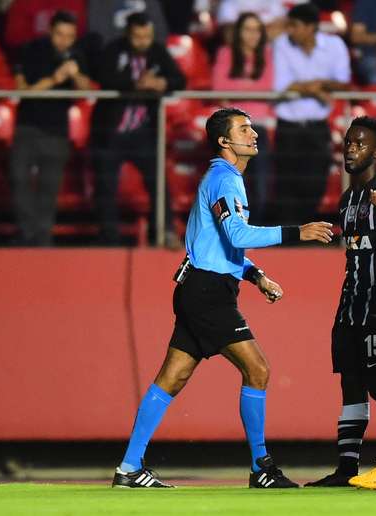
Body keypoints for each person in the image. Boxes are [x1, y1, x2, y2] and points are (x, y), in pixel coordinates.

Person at [111, 108, 334, 489]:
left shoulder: (222, 179)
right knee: (258, 369)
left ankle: (129, 468)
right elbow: (237, 235)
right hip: (208, 294)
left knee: (173, 377)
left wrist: (255, 274)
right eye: (244, 129)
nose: (254, 134)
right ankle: (261, 467)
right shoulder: (224, 180)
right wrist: (299, 232)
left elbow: (215, 245)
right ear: (224, 141)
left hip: (200, 287)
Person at [305, 117, 376, 487]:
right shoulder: (348, 199)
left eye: (361, 143)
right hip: (350, 308)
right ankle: (346, 469)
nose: (351, 149)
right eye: (349, 142)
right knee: (351, 384)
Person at [90, 12, 186, 246]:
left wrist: (162, 83)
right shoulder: (113, 50)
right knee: (105, 187)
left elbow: (179, 79)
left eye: (147, 37)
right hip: (111, 132)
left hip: (143, 134)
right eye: (138, 37)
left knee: (158, 183)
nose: (143, 42)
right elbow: (104, 77)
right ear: (128, 35)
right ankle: (109, 238)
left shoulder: (157, 51)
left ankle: (163, 232)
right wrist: (135, 84)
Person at [9, 11, 92, 246]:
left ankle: (43, 239)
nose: (64, 40)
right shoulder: (31, 51)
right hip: (27, 127)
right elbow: (22, 91)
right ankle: (25, 234)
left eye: (70, 36)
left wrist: (75, 75)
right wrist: (55, 79)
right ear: (50, 32)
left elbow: (87, 91)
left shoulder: (76, 55)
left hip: (56, 132)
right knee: (19, 179)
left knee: (49, 187)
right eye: (60, 34)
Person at [272, 2, 351, 224]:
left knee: (316, 182)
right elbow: (282, 85)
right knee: (286, 183)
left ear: (310, 27)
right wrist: (317, 90)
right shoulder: (281, 45)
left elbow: (343, 84)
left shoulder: (335, 45)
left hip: (318, 125)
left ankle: (306, 229)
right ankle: (289, 236)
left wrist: (317, 84)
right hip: (288, 124)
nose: (290, 31)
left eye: (295, 26)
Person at [213, 12, 274, 223]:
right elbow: (219, 87)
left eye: (256, 29)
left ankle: (254, 227)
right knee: (230, 182)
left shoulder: (267, 54)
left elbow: (269, 86)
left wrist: (237, 88)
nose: (252, 35)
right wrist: (251, 87)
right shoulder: (225, 53)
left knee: (259, 183)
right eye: (247, 29)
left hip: (259, 127)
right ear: (238, 32)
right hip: (231, 128)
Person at [216, 0, 287, 42]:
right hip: (238, 55)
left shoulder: (273, 2)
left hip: (269, 51)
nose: (254, 34)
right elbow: (229, 34)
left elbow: (280, 27)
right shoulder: (229, 3)